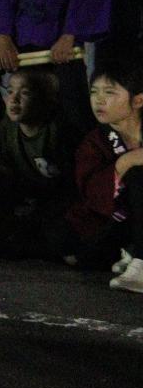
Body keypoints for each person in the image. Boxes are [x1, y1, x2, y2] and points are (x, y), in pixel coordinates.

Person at [60, 57, 143, 290]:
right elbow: (92, 195)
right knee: (78, 254)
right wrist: (124, 162)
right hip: (121, 221)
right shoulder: (94, 142)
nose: (99, 100)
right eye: (94, 92)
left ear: (138, 100)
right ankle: (134, 251)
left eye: (110, 92)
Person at [0, 68, 76, 255]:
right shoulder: (8, 125)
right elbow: (5, 170)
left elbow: (69, 184)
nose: (14, 99)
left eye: (25, 93)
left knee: (56, 240)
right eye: (10, 91)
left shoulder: (56, 130)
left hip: (54, 201)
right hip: (24, 195)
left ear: (44, 100)